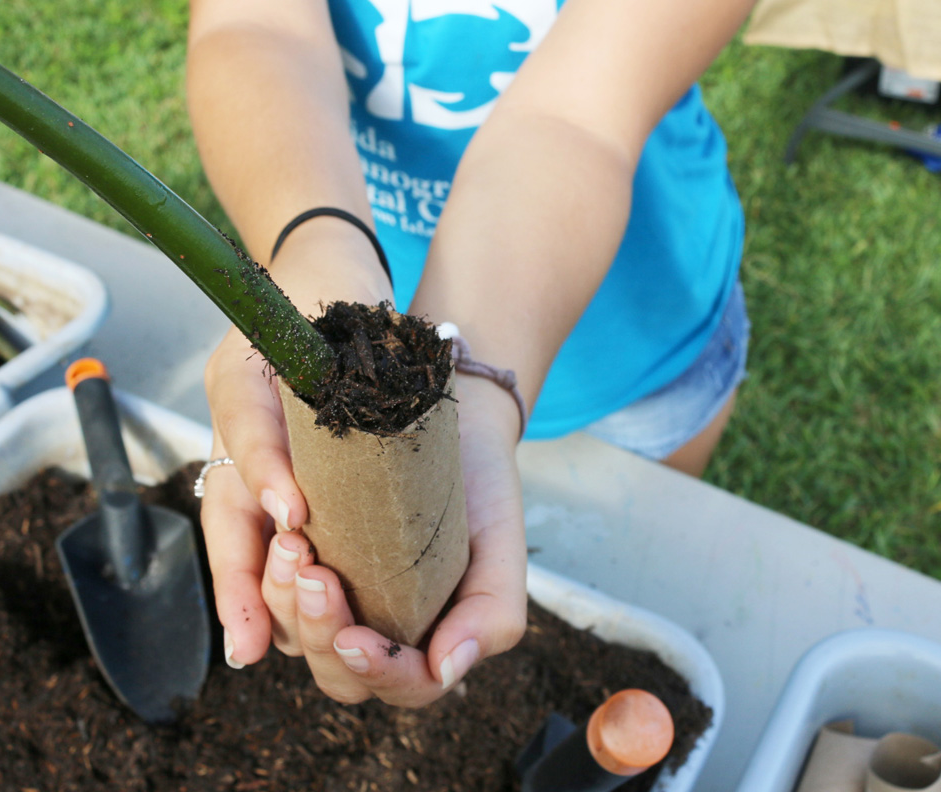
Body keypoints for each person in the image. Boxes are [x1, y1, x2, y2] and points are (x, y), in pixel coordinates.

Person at [185, 0, 755, 707]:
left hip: (637, 335)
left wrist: (475, 384)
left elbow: (576, 116)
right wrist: (320, 251)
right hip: (380, 279)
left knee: (620, 565)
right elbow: (255, 28)